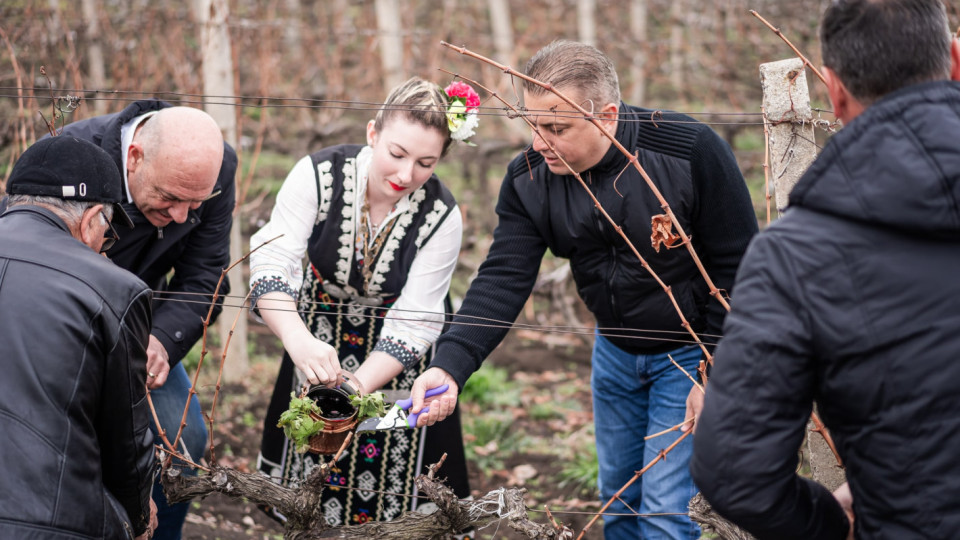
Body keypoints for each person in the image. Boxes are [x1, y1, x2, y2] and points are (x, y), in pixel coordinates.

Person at [409, 40, 759, 539]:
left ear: (607, 115)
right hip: (614, 353)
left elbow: (740, 266)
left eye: (556, 128)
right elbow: (504, 274)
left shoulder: (688, 151)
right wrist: (450, 363)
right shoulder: (530, 179)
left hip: (689, 355)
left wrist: (715, 371)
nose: (539, 142)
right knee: (618, 498)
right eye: (532, 125)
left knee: (664, 513)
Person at [690, 1, 960, 538]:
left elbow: (736, 473)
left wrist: (833, 523)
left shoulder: (794, 255)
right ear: (954, 60)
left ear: (833, 92)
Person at [250, 76, 472, 530]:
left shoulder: (442, 215)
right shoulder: (316, 175)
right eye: (396, 153)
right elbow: (273, 260)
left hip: (400, 361)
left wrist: (355, 392)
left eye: (425, 162)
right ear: (373, 133)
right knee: (314, 454)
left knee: (397, 491)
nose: (406, 174)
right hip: (317, 337)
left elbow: (417, 319)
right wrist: (298, 341)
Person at [53, 101, 235, 539]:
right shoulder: (69, 156)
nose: (180, 217)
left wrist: (161, 342)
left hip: (140, 330)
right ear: (133, 157)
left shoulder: (215, 168)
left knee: (182, 443)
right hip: (61, 328)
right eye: (170, 197)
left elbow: (206, 274)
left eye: (196, 203)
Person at [0, 136, 157, 539]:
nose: (104, 249)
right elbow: (127, 442)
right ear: (91, 221)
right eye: (107, 235)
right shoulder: (115, 288)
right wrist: (136, 520)